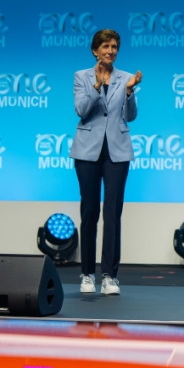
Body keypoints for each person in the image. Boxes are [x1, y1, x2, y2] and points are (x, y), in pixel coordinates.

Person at [69, 29, 142, 295]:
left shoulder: (125, 78)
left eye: (114, 47)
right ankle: (87, 274)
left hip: (117, 152)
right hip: (88, 151)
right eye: (106, 46)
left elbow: (130, 116)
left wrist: (130, 92)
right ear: (95, 50)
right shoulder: (81, 77)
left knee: (113, 214)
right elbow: (82, 110)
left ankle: (110, 276)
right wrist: (97, 85)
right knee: (90, 212)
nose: (110, 51)